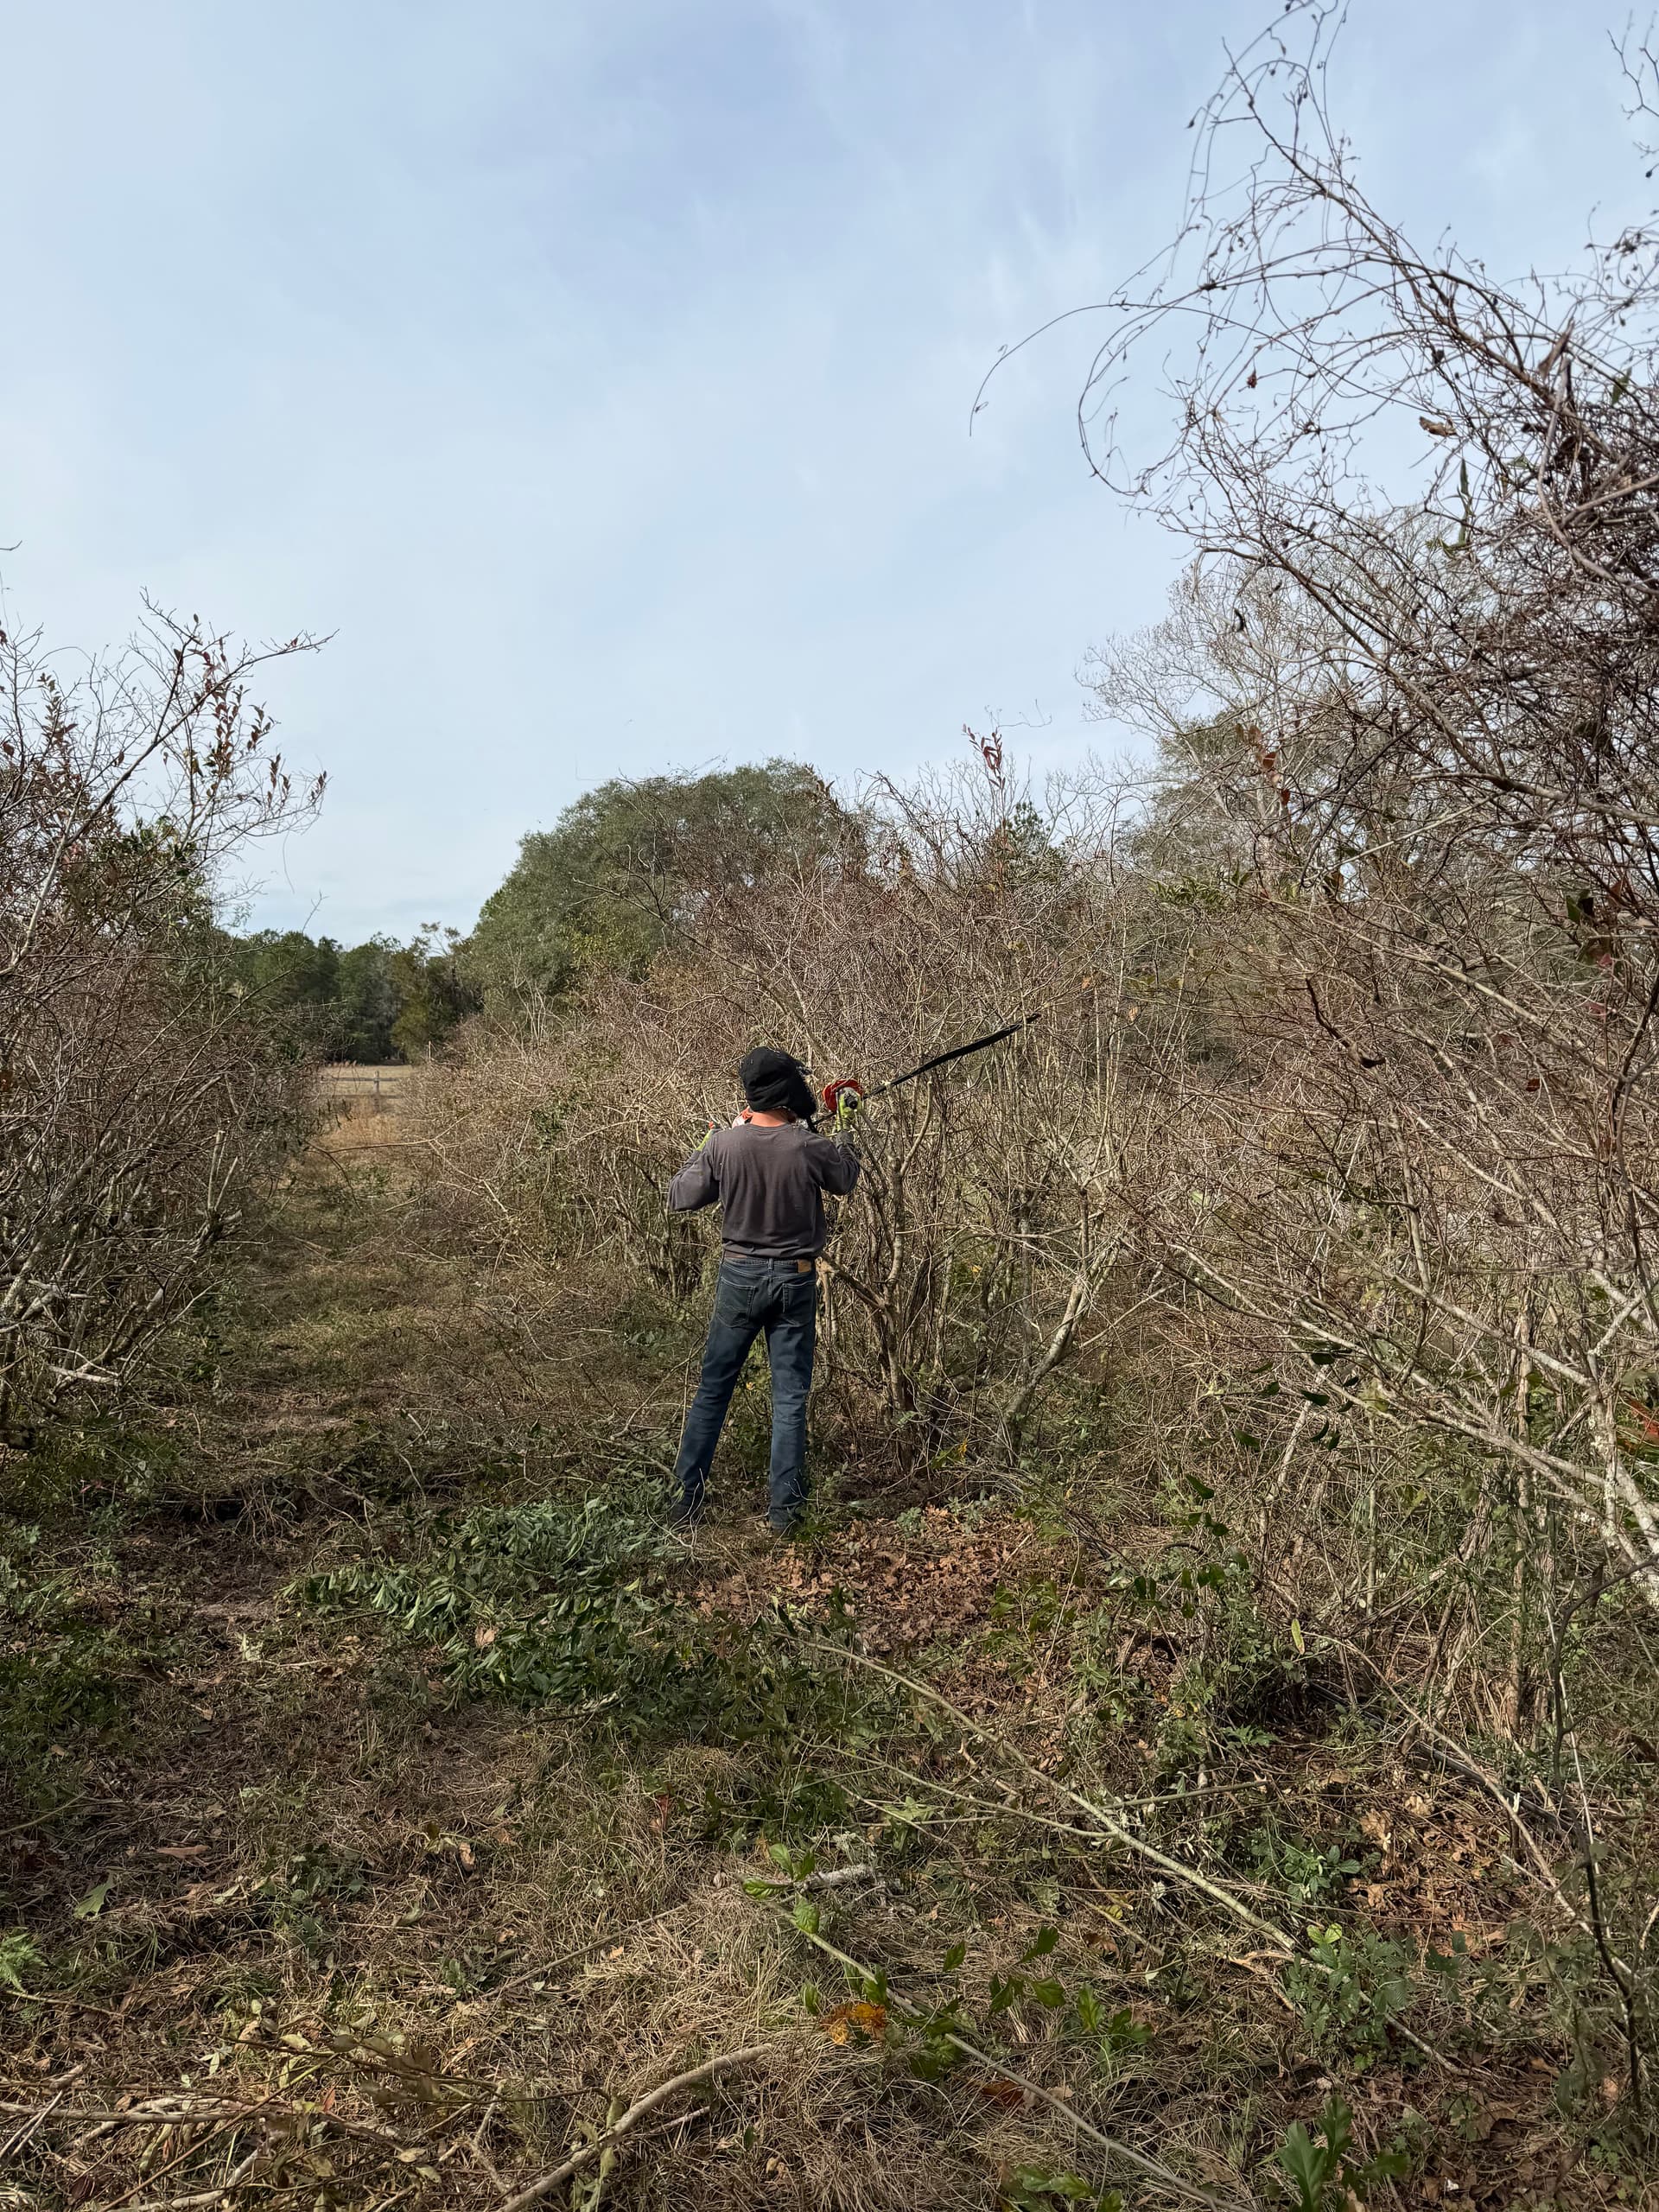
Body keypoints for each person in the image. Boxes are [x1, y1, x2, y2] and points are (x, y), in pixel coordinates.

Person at [666, 1046, 861, 1534]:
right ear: (789, 1091)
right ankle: (784, 1516)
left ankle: (685, 1503)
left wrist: (713, 1137)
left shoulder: (724, 1144)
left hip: (739, 1277)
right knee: (791, 1397)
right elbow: (847, 1178)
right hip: (795, 1279)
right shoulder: (807, 1145)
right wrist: (849, 1127)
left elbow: (680, 1196)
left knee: (713, 1391)